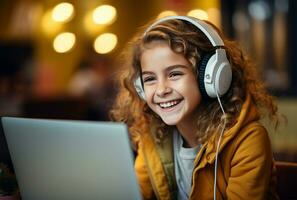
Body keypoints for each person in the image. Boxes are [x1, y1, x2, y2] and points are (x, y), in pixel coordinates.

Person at [110, 16, 281, 200]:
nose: (161, 90)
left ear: (211, 76)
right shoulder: (153, 139)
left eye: (174, 74)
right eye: (150, 79)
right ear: (140, 87)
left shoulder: (248, 141)